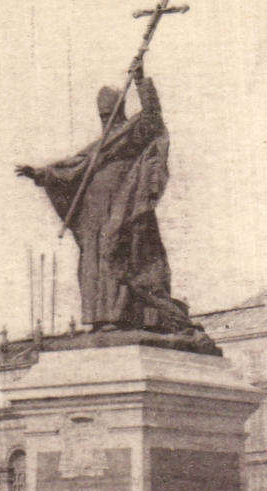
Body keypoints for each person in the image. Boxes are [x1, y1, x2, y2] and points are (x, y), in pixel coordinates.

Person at [16, 56, 196, 333]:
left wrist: (141, 81)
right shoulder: (96, 147)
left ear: (119, 110)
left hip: (125, 207)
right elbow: (71, 169)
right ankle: (101, 319)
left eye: (108, 114)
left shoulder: (132, 133)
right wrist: (41, 174)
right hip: (95, 214)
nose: (105, 120)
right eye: (101, 116)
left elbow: (152, 118)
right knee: (94, 262)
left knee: (121, 256)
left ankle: (124, 317)